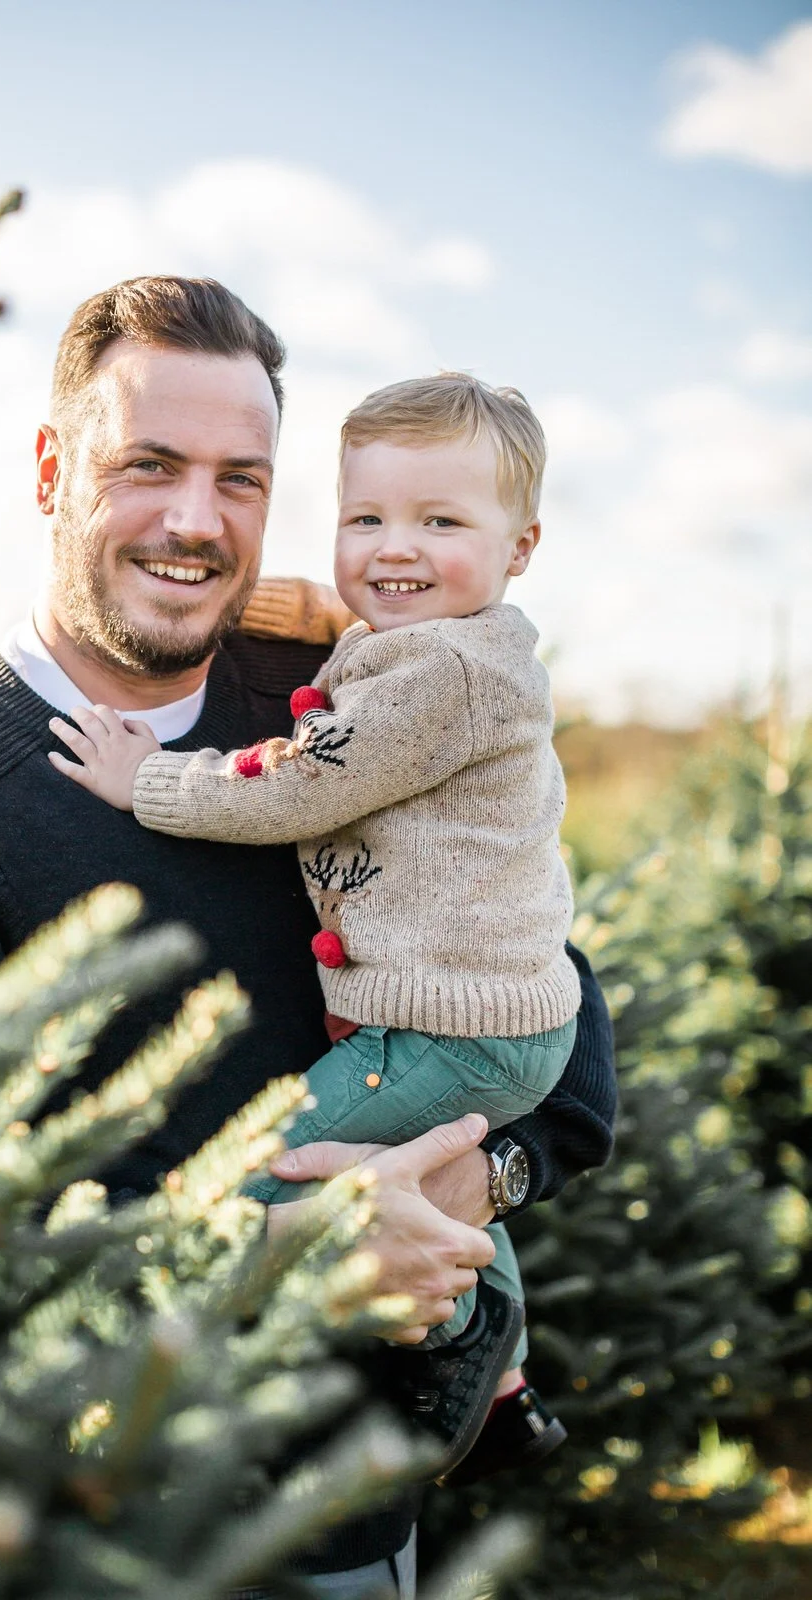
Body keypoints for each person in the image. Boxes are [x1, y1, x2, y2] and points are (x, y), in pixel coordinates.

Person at [0, 277, 616, 1600]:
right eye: (148, 466)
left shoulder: (350, 702)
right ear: (52, 468)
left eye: (239, 479)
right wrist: (288, 1253)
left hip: (358, 1518)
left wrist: (481, 1186)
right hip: (103, 1540)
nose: (194, 521)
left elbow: (555, 1016)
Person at [44, 369, 579, 1481]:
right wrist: (295, 600)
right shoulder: (435, 647)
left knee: (272, 1177)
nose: (395, 546)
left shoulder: (441, 672)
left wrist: (149, 783)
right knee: (428, 1165)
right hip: (488, 1022)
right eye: (365, 518)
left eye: (439, 521)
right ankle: (512, 1397)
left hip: (436, 1034)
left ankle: (453, 1342)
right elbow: (368, 643)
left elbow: (299, 787)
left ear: (518, 547)